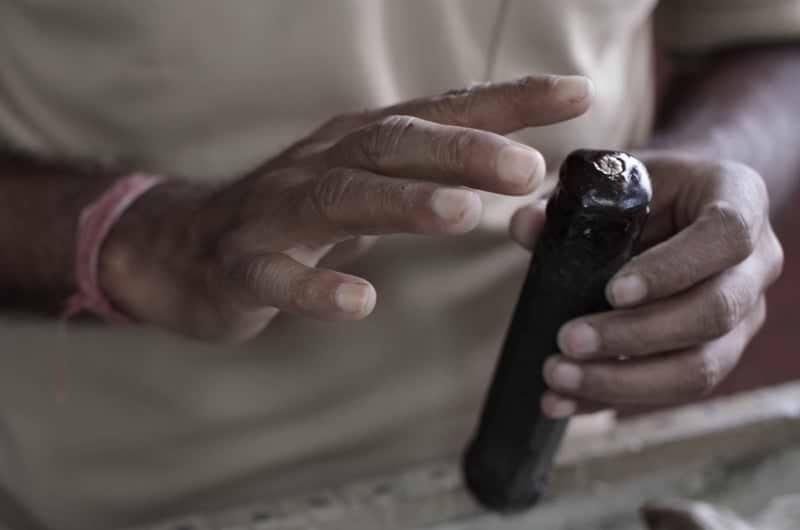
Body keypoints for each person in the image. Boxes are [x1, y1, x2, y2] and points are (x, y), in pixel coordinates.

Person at [0, 0, 794, 528]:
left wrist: (720, 167)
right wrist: (136, 236)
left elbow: (769, 35)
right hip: (127, 492)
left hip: (554, 462)